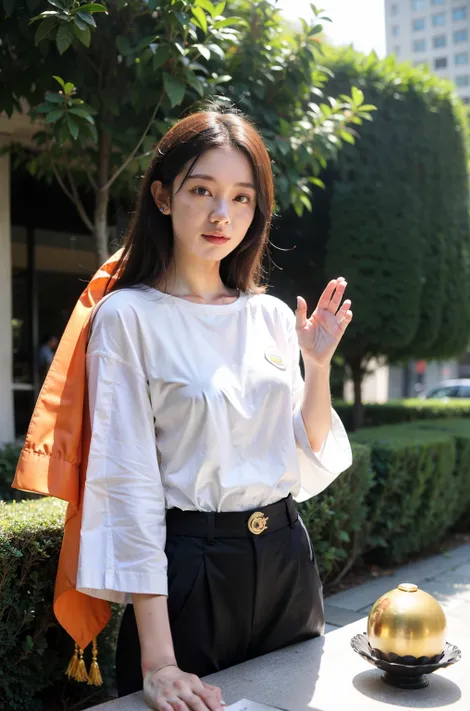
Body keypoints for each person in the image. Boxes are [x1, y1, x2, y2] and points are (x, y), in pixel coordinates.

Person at [76, 110, 353, 711]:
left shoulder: (273, 317)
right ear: (163, 196)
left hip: (286, 561)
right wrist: (159, 661)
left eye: (241, 197)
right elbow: (127, 485)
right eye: (202, 189)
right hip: (189, 575)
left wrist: (318, 366)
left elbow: (305, 460)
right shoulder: (127, 318)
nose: (221, 214)